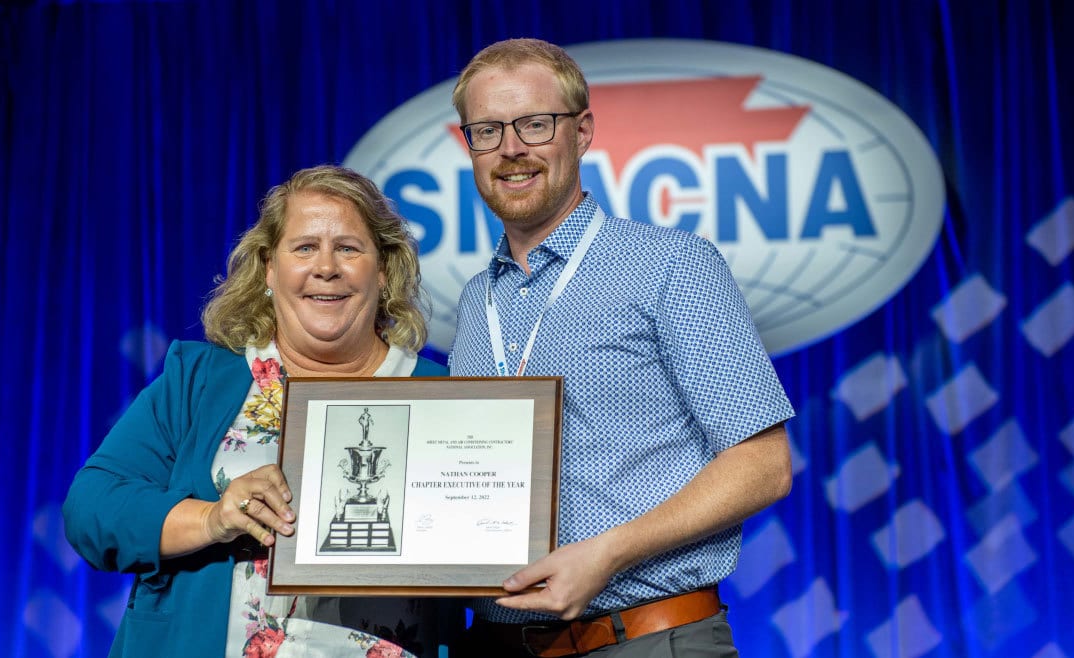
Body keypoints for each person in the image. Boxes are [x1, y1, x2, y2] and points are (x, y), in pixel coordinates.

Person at [447, 38, 796, 657]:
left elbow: (762, 467)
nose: (511, 149)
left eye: (534, 123)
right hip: (498, 646)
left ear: (582, 132)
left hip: (642, 638)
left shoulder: (671, 266)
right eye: (488, 130)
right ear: (467, 144)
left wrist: (605, 554)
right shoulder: (477, 302)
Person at [64, 165, 455, 658]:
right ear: (270, 267)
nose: (326, 267)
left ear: (383, 269)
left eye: (349, 248)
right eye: (305, 247)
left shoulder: (440, 393)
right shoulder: (200, 379)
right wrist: (215, 517)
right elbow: (91, 509)